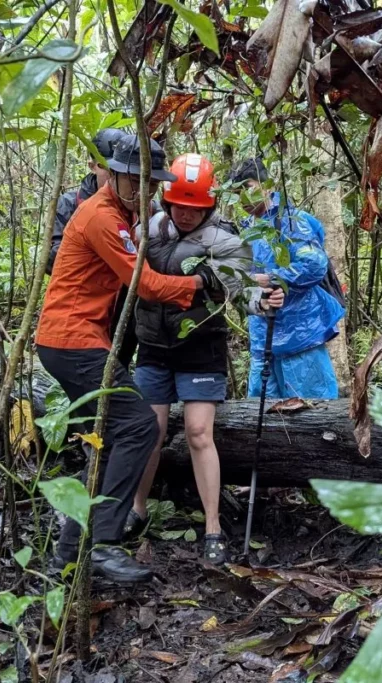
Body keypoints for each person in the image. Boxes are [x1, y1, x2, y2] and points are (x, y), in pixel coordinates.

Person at [36, 136, 225, 583]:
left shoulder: (126, 215)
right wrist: (201, 284)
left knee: (110, 436)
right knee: (139, 427)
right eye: (134, 180)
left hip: (80, 340)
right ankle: (103, 544)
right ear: (114, 174)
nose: (142, 190)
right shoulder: (102, 216)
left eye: (150, 183)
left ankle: (67, 555)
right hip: (73, 340)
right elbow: (145, 284)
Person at [124, 153, 284, 564]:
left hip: (201, 348)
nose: (186, 214)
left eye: (195, 208)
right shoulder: (147, 230)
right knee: (149, 430)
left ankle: (212, 526)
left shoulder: (226, 241)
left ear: (209, 205)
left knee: (198, 432)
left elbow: (241, 290)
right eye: (179, 205)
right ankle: (137, 510)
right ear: (167, 200)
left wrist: (262, 301)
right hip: (152, 347)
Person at [226, 157, 344, 400]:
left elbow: (314, 264)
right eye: (237, 194)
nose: (243, 199)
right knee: (261, 410)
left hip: (300, 337)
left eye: (247, 188)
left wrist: (272, 278)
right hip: (262, 339)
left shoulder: (291, 221)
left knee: (311, 408)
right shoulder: (247, 230)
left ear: (266, 185)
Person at [48, 128, 141, 368]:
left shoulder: (139, 202)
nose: (113, 175)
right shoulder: (70, 203)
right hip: (84, 309)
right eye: (107, 168)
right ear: (93, 166)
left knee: (117, 369)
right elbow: (51, 258)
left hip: (125, 307)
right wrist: (100, 248)